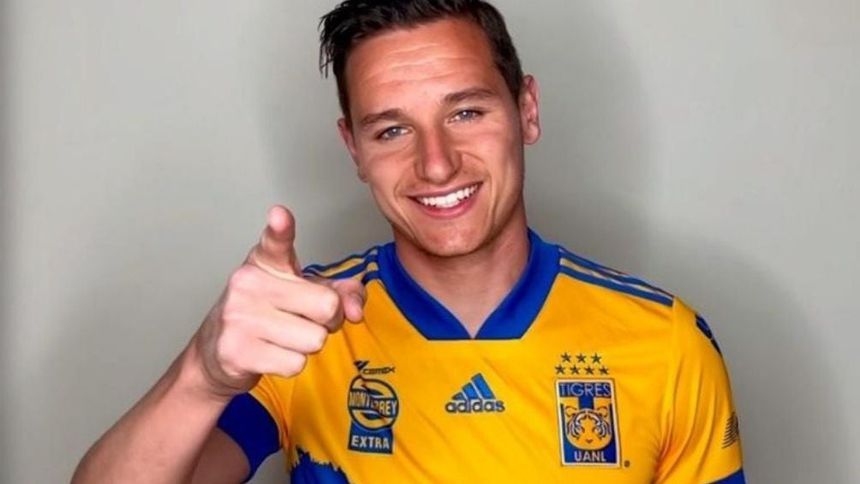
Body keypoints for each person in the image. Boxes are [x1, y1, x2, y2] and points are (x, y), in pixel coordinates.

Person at [73, 1, 745, 482]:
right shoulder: (301, 335)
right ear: (354, 149)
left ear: (527, 110)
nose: (437, 164)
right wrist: (201, 376)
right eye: (392, 130)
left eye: (466, 112)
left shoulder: (666, 344)